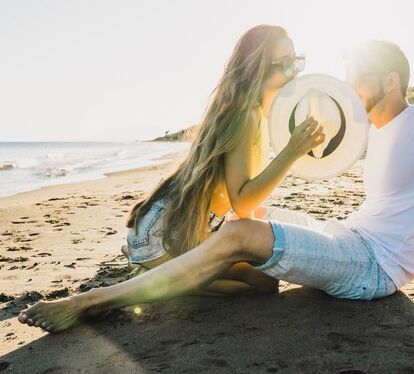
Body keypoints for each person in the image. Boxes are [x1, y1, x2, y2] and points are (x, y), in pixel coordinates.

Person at [19, 40, 414, 332]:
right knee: (239, 227)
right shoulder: (386, 132)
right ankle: (170, 274)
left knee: (241, 233)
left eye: (358, 77)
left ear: (390, 81)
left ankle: (93, 301)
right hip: (350, 236)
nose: (347, 87)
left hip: (371, 267)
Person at [121, 24, 324, 297]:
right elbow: (242, 202)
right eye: (284, 64)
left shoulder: (256, 114)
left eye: (296, 61)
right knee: (260, 286)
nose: (295, 72)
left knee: (265, 281)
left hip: (174, 230)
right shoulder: (245, 116)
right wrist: (291, 152)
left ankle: (152, 267)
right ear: (257, 68)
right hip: (163, 236)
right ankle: (159, 277)